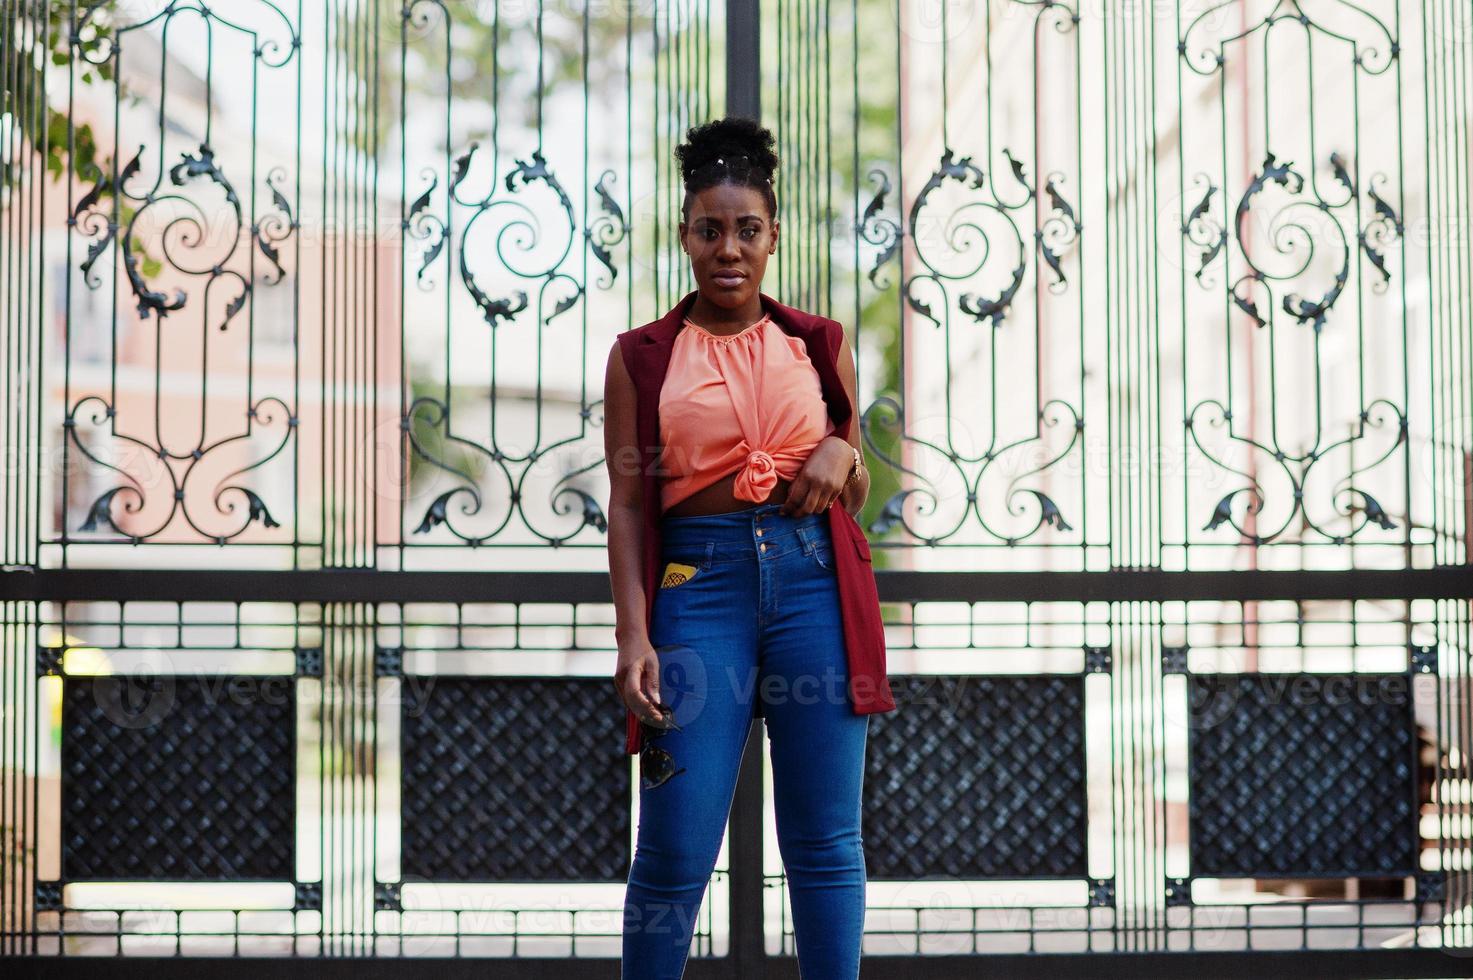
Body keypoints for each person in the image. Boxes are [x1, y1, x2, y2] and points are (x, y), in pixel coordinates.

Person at [602, 116, 873, 979]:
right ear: (684, 235)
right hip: (698, 587)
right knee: (675, 850)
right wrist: (633, 637)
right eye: (709, 229)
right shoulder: (642, 358)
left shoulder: (818, 344)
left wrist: (842, 450)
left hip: (811, 587)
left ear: (773, 237)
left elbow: (856, 484)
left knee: (825, 845)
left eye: (746, 230)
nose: (729, 248)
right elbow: (631, 507)